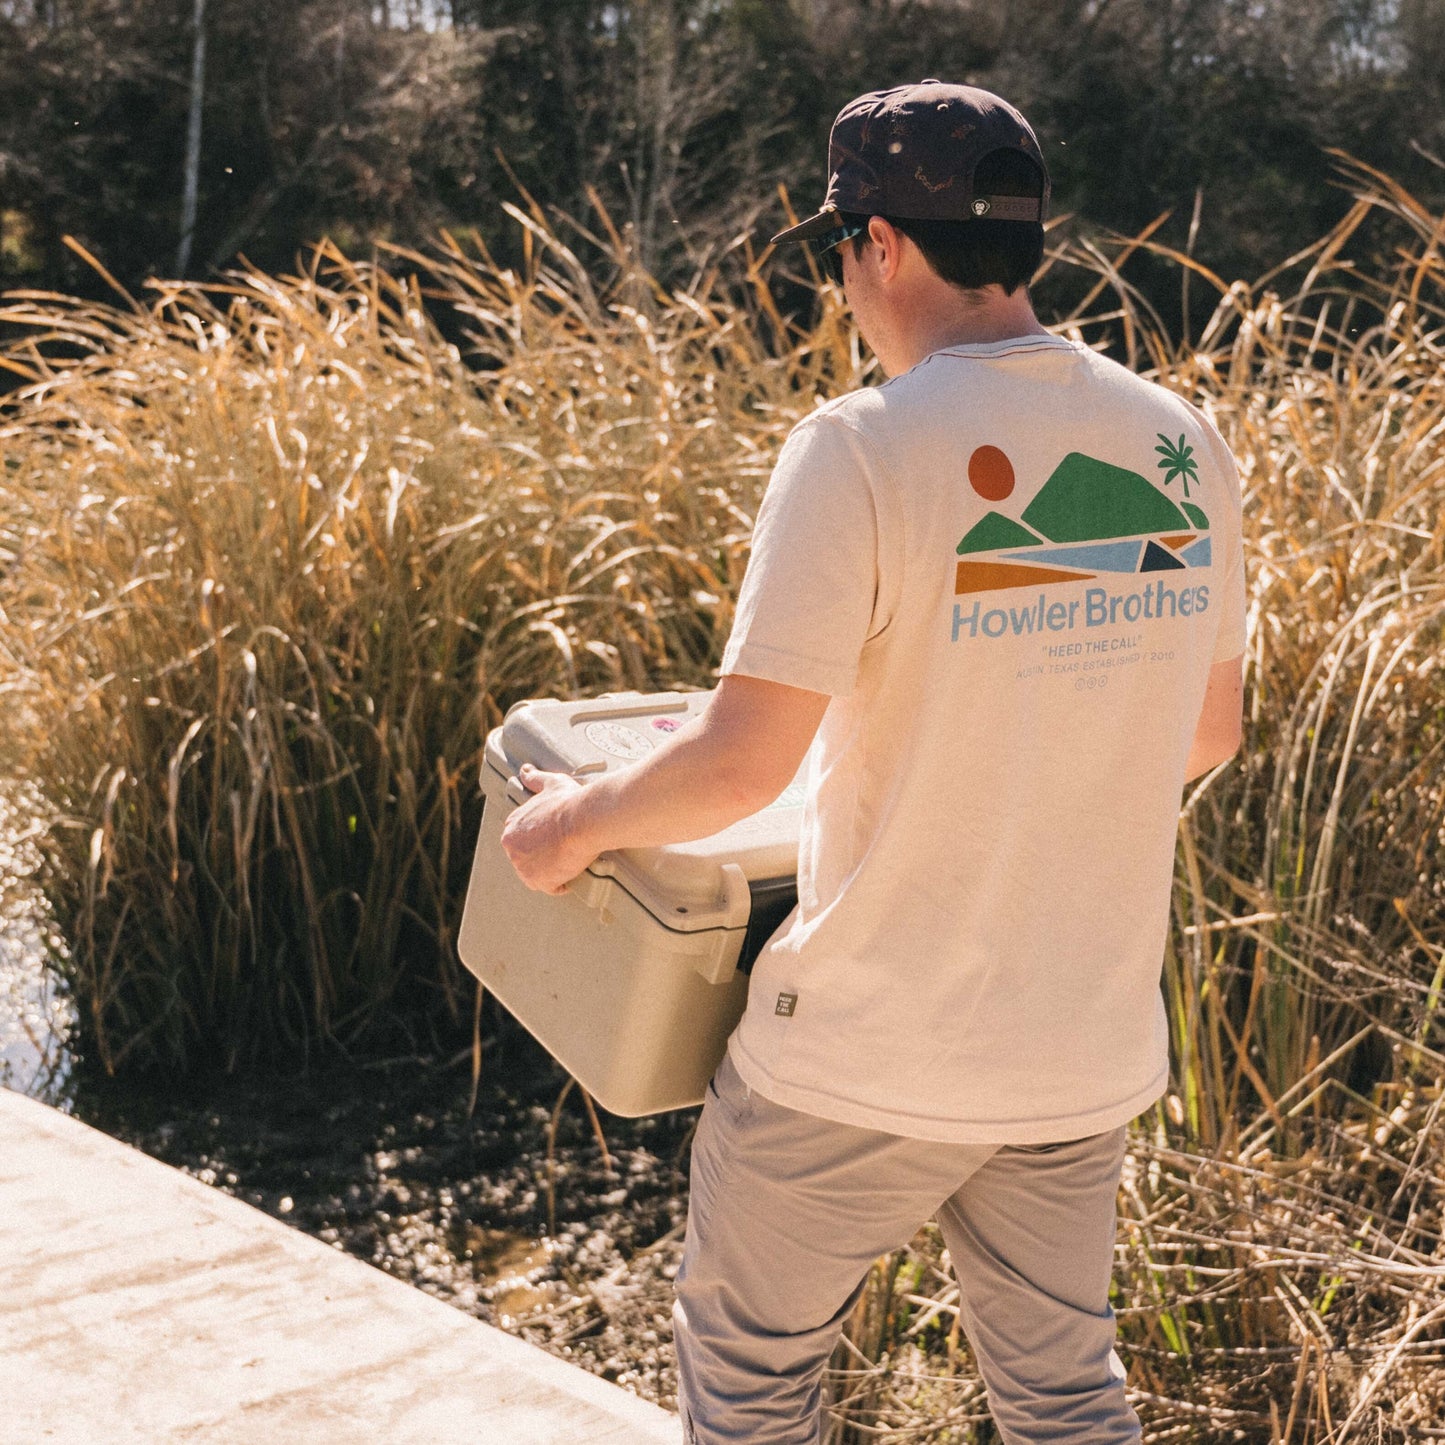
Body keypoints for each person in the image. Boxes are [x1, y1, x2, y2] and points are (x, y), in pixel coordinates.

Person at [501, 79, 1245, 1445]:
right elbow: (1201, 733)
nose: (843, 282)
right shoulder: (1178, 441)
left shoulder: (857, 445)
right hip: (1074, 1048)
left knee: (755, 1390)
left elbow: (734, 767)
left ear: (882, 245)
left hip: (862, 1055)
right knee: (1065, 1398)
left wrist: (572, 828)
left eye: (838, 250)